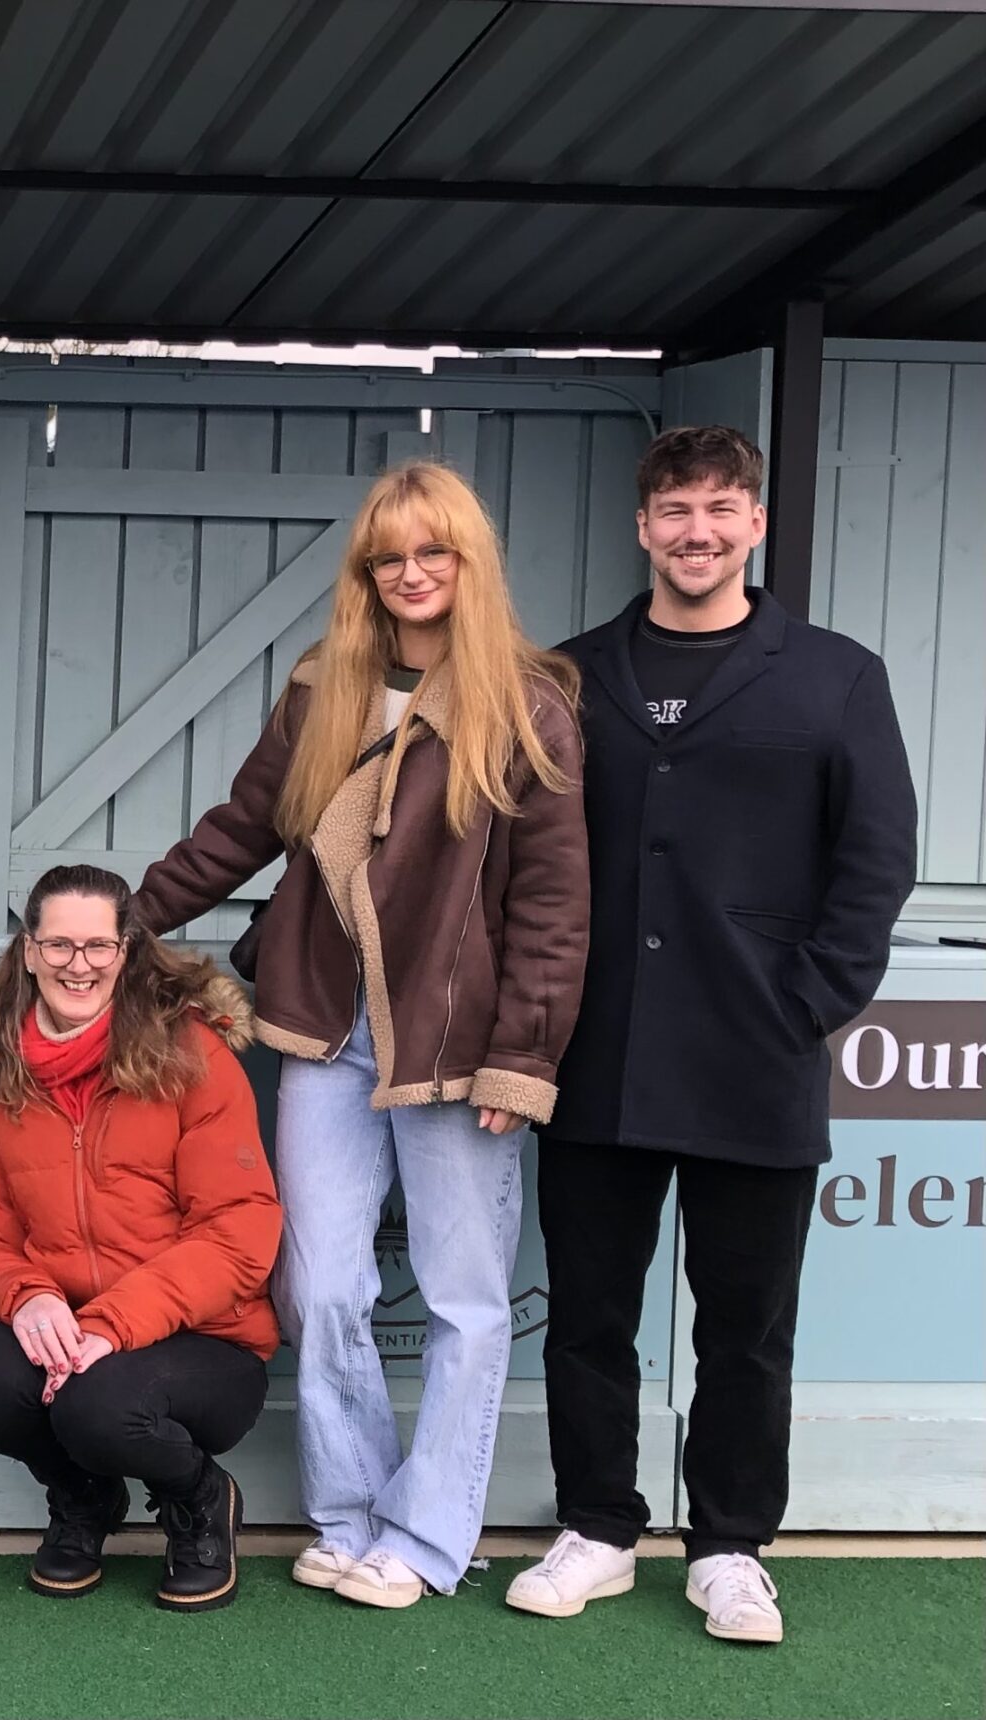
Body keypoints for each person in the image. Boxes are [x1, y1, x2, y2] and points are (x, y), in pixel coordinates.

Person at [127, 460, 589, 1609]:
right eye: (389, 556)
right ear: (366, 572)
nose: (411, 572)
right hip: (323, 1030)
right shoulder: (324, 688)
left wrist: (523, 1057)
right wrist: (118, 918)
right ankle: (348, 1511)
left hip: (459, 1046)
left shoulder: (528, 704)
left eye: (432, 551)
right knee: (322, 1286)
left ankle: (428, 1537)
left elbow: (551, 900)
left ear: (467, 561)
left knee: (461, 1298)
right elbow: (240, 828)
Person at [506, 427, 917, 1646]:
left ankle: (730, 1545)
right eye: (674, 510)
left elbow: (875, 860)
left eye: (719, 508)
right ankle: (595, 1526)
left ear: (754, 525)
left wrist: (806, 1003)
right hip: (596, 1056)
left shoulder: (836, 675)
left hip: (757, 1052)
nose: (696, 530)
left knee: (746, 1324)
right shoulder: (569, 674)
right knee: (588, 1313)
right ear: (642, 529)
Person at [0, 864, 278, 1611]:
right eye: (58, 945)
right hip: (75, 1328)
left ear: (126, 951)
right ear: (28, 952)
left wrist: (110, 1326)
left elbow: (240, 1231)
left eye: (97, 946)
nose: (78, 965)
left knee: (98, 1406)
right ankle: (85, 1498)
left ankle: (199, 1502)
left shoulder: (191, 1056)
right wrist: (26, 1297)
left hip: (207, 1340)